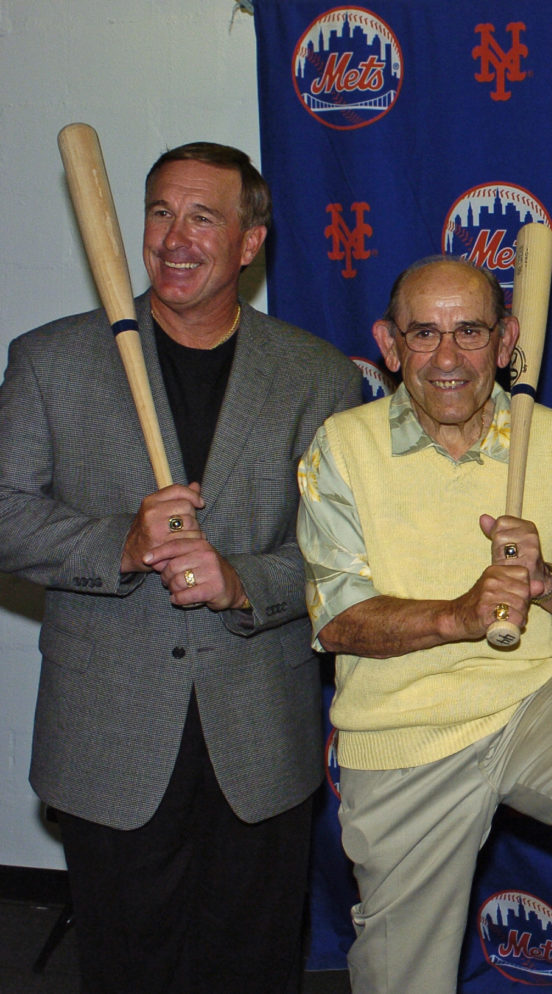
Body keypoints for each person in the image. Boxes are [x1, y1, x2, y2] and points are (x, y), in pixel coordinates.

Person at [0, 142, 362, 992]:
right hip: (110, 733)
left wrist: (243, 581)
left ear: (249, 243)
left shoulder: (318, 378)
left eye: (204, 217)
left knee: (251, 967)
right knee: (129, 969)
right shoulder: (52, 360)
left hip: (258, 735)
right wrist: (117, 545)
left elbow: (341, 556)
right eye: (161, 211)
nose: (174, 237)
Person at [296, 256, 552, 993]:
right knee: (400, 980)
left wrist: (545, 581)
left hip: (538, 699)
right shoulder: (341, 448)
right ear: (389, 344)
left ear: (507, 342)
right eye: (425, 333)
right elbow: (340, 619)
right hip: (405, 726)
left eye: (471, 332)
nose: (448, 358)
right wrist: (460, 615)